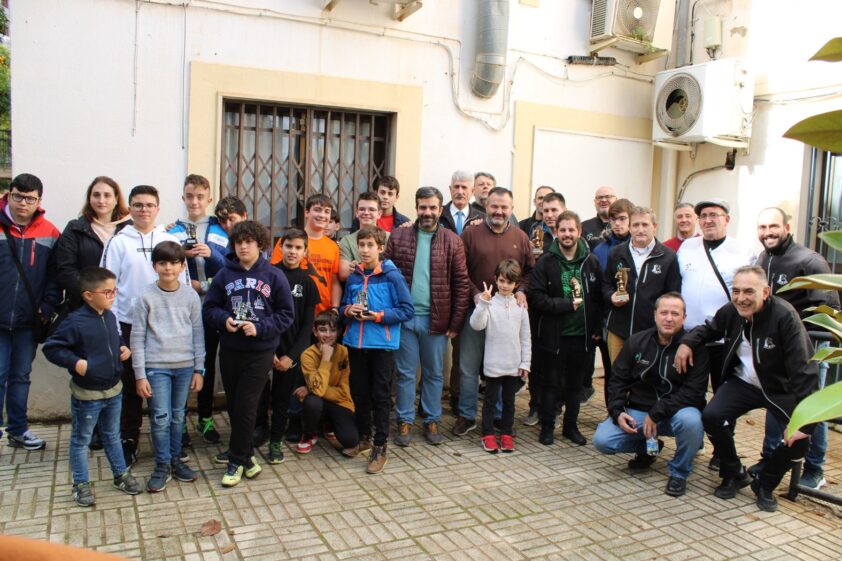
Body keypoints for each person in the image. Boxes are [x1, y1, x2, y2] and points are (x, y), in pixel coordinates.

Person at [677, 266, 819, 512]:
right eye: (736, 291)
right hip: (744, 382)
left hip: (779, 387)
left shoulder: (785, 316)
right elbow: (709, 329)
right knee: (712, 416)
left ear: (766, 292)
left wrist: (805, 423)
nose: (741, 298)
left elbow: (804, 369)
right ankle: (734, 472)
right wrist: (687, 343)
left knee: (800, 439)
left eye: (748, 291)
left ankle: (766, 482)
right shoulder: (732, 311)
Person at [752, 207, 839, 489]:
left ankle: (814, 469)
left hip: (809, 351)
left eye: (773, 226)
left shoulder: (810, 261)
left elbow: (829, 311)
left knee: (813, 409)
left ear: (787, 228)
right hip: (776, 353)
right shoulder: (764, 258)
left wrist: (805, 340)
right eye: (763, 227)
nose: (768, 233)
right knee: (777, 405)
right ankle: (770, 457)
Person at [100, 185, 188, 465]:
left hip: (166, 329)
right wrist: (114, 331)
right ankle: (129, 439)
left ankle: (173, 440)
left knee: (166, 386)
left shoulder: (169, 239)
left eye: (149, 205)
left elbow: (183, 286)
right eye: (137, 205)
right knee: (132, 386)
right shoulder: (118, 242)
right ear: (129, 208)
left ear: (158, 208)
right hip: (128, 325)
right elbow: (107, 287)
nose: (143, 210)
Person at [203, 220, 295, 487]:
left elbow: (286, 314)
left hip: (260, 351)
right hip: (231, 350)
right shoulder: (224, 274)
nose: (243, 246)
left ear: (260, 245)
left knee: (246, 402)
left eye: (249, 242)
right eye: (239, 242)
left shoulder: (274, 275)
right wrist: (224, 321)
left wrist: (260, 327)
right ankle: (248, 458)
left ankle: (235, 460)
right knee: (234, 404)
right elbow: (210, 308)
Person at [42, 267, 142, 506]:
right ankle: (81, 485)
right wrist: (75, 362)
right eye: (107, 292)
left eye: (114, 291)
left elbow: (113, 340)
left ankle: (121, 474)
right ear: (88, 295)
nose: (112, 296)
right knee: (81, 440)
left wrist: (122, 347)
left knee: (112, 435)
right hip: (88, 395)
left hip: (113, 390)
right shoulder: (75, 322)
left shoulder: (109, 316)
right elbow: (52, 348)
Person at [593, 293, 708, 497]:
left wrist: (656, 413)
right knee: (603, 440)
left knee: (692, 423)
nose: (669, 318)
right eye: (664, 312)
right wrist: (617, 411)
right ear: (654, 315)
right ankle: (649, 447)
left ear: (684, 317)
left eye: (675, 313)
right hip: (639, 411)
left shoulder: (695, 348)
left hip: (676, 413)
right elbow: (617, 380)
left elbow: (694, 393)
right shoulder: (637, 342)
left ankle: (679, 473)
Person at [385, 187, 470, 447]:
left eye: (433, 207)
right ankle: (405, 420)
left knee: (434, 374)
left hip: (437, 321)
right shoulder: (399, 238)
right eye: (423, 207)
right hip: (405, 320)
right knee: (405, 373)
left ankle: (432, 418)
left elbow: (461, 284)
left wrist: (455, 323)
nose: (428, 212)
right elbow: (385, 277)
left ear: (440, 209)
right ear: (416, 207)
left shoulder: (452, 240)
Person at [454, 187, 533, 437]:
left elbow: (530, 271)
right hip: (476, 310)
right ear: (486, 206)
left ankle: (499, 416)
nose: (499, 211)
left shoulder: (520, 237)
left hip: (508, 315)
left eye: (504, 207)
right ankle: (467, 415)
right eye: (494, 206)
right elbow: (460, 271)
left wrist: (522, 290)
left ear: (512, 208)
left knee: (504, 366)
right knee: (468, 367)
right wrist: (476, 294)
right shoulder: (470, 234)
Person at [131, 242, 205, 492]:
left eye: (174, 262)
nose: (168, 267)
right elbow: (137, 337)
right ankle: (161, 465)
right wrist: (140, 375)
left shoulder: (190, 295)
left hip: (185, 367)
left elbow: (198, 333)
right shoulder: (146, 296)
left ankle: (175, 460)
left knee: (177, 416)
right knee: (160, 418)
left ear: (183, 266)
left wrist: (199, 369)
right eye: (162, 263)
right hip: (156, 368)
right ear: (154, 266)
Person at [340, 226, 414, 474]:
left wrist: (379, 316)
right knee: (359, 393)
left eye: (370, 245)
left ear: (380, 248)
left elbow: (406, 310)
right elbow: (343, 307)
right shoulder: (353, 276)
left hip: (382, 345)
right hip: (356, 344)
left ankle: (380, 446)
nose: (364, 250)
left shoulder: (392, 275)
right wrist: (347, 311)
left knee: (380, 396)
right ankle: (364, 438)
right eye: (361, 245)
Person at [528, 211, 601, 446]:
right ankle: (547, 427)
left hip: (582, 337)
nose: (567, 234)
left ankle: (571, 427)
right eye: (563, 230)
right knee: (551, 384)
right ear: (555, 232)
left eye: (572, 230)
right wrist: (565, 305)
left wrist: (596, 327)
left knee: (575, 386)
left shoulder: (591, 261)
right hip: (554, 336)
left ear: (579, 232)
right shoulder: (546, 263)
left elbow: (598, 298)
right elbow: (536, 298)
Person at [1, 174, 61, 451]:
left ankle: (18, 430)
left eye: (29, 198)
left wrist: (47, 307)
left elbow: (54, 276)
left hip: (29, 321)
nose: (23, 203)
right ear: (8, 194)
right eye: (17, 196)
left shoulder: (49, 232)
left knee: (21, 375)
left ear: (39, 200)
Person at [167, 174, 229, 446]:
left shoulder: (219, 228)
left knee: (205, 365)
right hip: (180, 311)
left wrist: (209, 254)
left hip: (211, 309)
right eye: (190, 196)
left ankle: (205, 417)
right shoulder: (172, 230)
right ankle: (177, 422)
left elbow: (227, 266)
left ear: (209, 199)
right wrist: (181, 255)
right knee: (180, 365)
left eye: (200, 197)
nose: (194, 201)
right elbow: (161, 263)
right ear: (183, 198)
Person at [258, 229, 318, 464]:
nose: (292, 251)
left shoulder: (307, 283)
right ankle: (258, 432)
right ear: (280, 247)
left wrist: (291, 356)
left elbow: (307, 326)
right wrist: (270, 350)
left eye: (298, 248)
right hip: (266, 348)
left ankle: (275, 441)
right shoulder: (268, 276)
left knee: (282, 399)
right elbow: (261, 315)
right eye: (288, 246)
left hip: (291, 352)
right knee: (260, 396)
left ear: (305, 252)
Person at [602, 206, 681, 364]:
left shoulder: (668, 257)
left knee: (644, 378)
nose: (640, 229)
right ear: (630, 227)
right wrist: (612, 296)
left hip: (650, 331)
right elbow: (605, 285)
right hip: (618, 329)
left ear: (654, 226)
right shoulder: (616, 253)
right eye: (635, 225)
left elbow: (673, 294)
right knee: (617, 375)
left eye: (645, 225)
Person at [470, 260, 530, 453]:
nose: (505, 285)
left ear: (516, 284)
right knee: (489, 401)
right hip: (493, 364)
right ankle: (487, 434)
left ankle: (506, 434)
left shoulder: (521, 307)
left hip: (513, 365)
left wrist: (525, 363)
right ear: (496, 279)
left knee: (509, 403)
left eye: (510, 282)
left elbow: (526, 337)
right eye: (502, 281)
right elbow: (476, 325)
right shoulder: (489, 303)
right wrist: (483, 303)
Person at [55, 176, 131, 312]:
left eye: (107, 195)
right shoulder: (75, 228)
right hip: (84, 306)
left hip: (122, 307)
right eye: (96, 195)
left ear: (116, 199)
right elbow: (66, 269)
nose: (101, 200)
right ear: (89, 199)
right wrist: (93, 296)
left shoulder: (129, 229)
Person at [522, 191, 565, 426]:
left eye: (554, 210)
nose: (549, 215)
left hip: (561, 311)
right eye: (546, 210)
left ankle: (555, 409)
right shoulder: (534, 235)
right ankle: (535, 407)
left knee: (557, 366)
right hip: (535, 309)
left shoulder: (569, 235)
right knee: (536, 361)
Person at [295, 312, 359, 454]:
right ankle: (309, 434)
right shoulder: (308, 354)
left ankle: (328, 426)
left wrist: (310, 388)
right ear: (315, 331)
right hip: (318, 400)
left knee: (351, 441)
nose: (328, 335)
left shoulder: (344, 352)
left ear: (339, 332)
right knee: (312, 402)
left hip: (338, 401)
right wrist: (325, 359)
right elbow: (317, 392)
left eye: (333, 330)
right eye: (323, 330)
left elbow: (343, 392)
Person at [271, 194, 340, 316]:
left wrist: (335, 308)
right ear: (306, 212)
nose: (322, 215)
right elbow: (275, 274)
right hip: (292, 310)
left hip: (323, 314)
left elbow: (334, 280)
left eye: (326, 212)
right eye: (317, 210)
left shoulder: (333, 246)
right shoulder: (289, 242)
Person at [339, 192, 385, 281]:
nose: (366, 213)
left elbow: (395, 268)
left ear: (379, 213)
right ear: (356, 212)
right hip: (358, 290)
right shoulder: (347, 240)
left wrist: (358, 267)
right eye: (362, 209)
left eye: (371, 209)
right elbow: (344, 274)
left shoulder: (390, 237)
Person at [440, 170, 485, 235]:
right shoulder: (439, 214)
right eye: (456, 187)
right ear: (450, 189)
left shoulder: (482, 218)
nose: (460, 192)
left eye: (464, 187)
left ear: (472, 191)